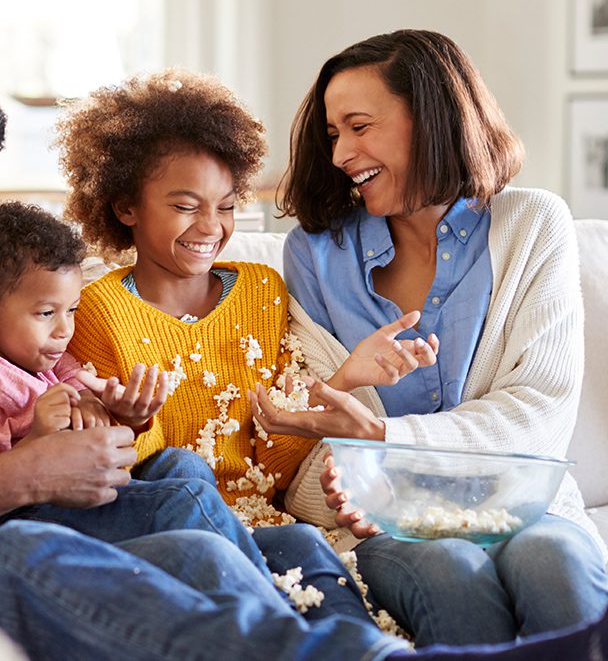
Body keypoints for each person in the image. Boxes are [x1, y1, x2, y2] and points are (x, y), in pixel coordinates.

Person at [0, 33, 608, 660]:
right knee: (30, 561)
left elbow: (35, 356)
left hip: (18, 480)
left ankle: (353, 638)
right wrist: (26, 474)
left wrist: (82, 414)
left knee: (185, 490)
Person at [251, 29, 608, 648]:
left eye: (360, 127)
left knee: (556, 564)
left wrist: (385, 438)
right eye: (334, 134)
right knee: (452, 568)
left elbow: (541, 416)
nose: (341, 154)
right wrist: (350, 465)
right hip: (388, 527)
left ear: (434, 120)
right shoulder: (314, 254)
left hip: (523, 505)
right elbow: (309, 450)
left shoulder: (532, 225)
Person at [58, 69, 443, 625]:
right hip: (173, 526)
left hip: (266, 522)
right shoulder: (97, 311)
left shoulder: (261, 291)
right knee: (187, 470)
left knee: (311, 556)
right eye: (186, 206)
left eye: (227, 204)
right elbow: (131, 474)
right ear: (126, 208)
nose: (211, 226)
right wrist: (131, 421)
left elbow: (277, 459)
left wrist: (345, 379)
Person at [0, 200, 267, 571]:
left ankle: (225, 564)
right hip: (35, 519)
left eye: (72, 310)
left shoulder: (50, 355)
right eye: (47, 313)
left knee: (185, 464)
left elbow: (88, 402)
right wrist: (36, 440)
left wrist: (122, 414)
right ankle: (263, 583)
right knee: (184, 499)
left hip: (92, 487)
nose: (65, 330)